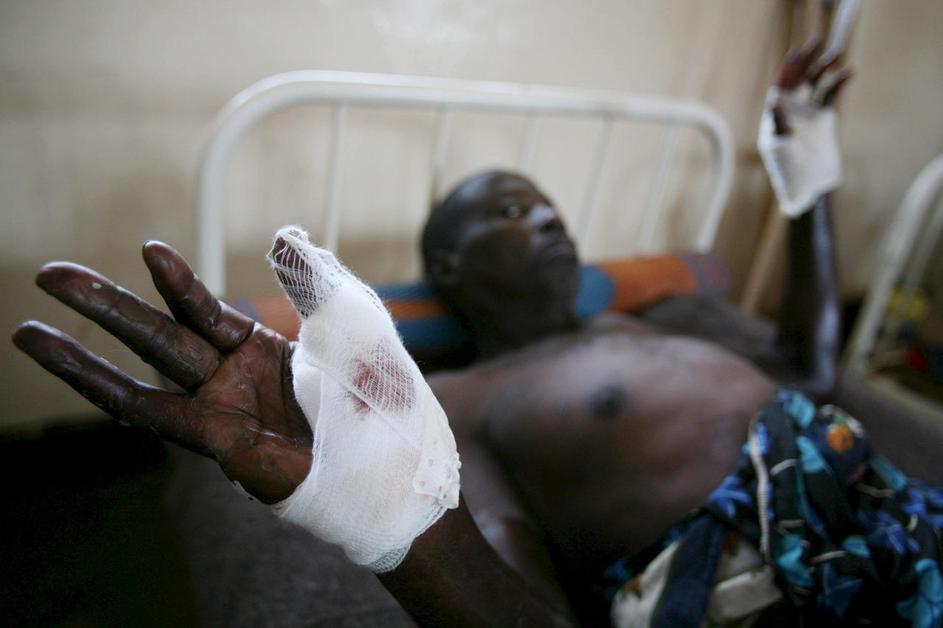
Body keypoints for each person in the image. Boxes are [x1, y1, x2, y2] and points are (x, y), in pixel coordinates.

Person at [13, 45, 941, 626]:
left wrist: (806, 188)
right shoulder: (448, 406)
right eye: (509, 210)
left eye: (549, 208)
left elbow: (809, 368)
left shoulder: (638, 320)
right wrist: (402, 522)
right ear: (449, 267)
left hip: (889, 514)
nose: (547, 219)